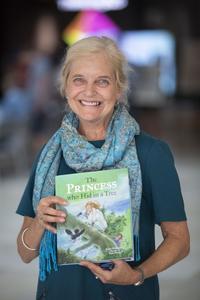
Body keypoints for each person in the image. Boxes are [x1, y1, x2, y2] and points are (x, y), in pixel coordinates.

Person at [16, 36, 190, 300]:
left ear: (119, 89)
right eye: (79, 80)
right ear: (65, 86)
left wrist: (137, 275)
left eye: (102, 81)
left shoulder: (151, 153)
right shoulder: (50, 155)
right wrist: (40, 223)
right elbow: (26, 253)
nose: (89, 92)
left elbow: (180, 241)